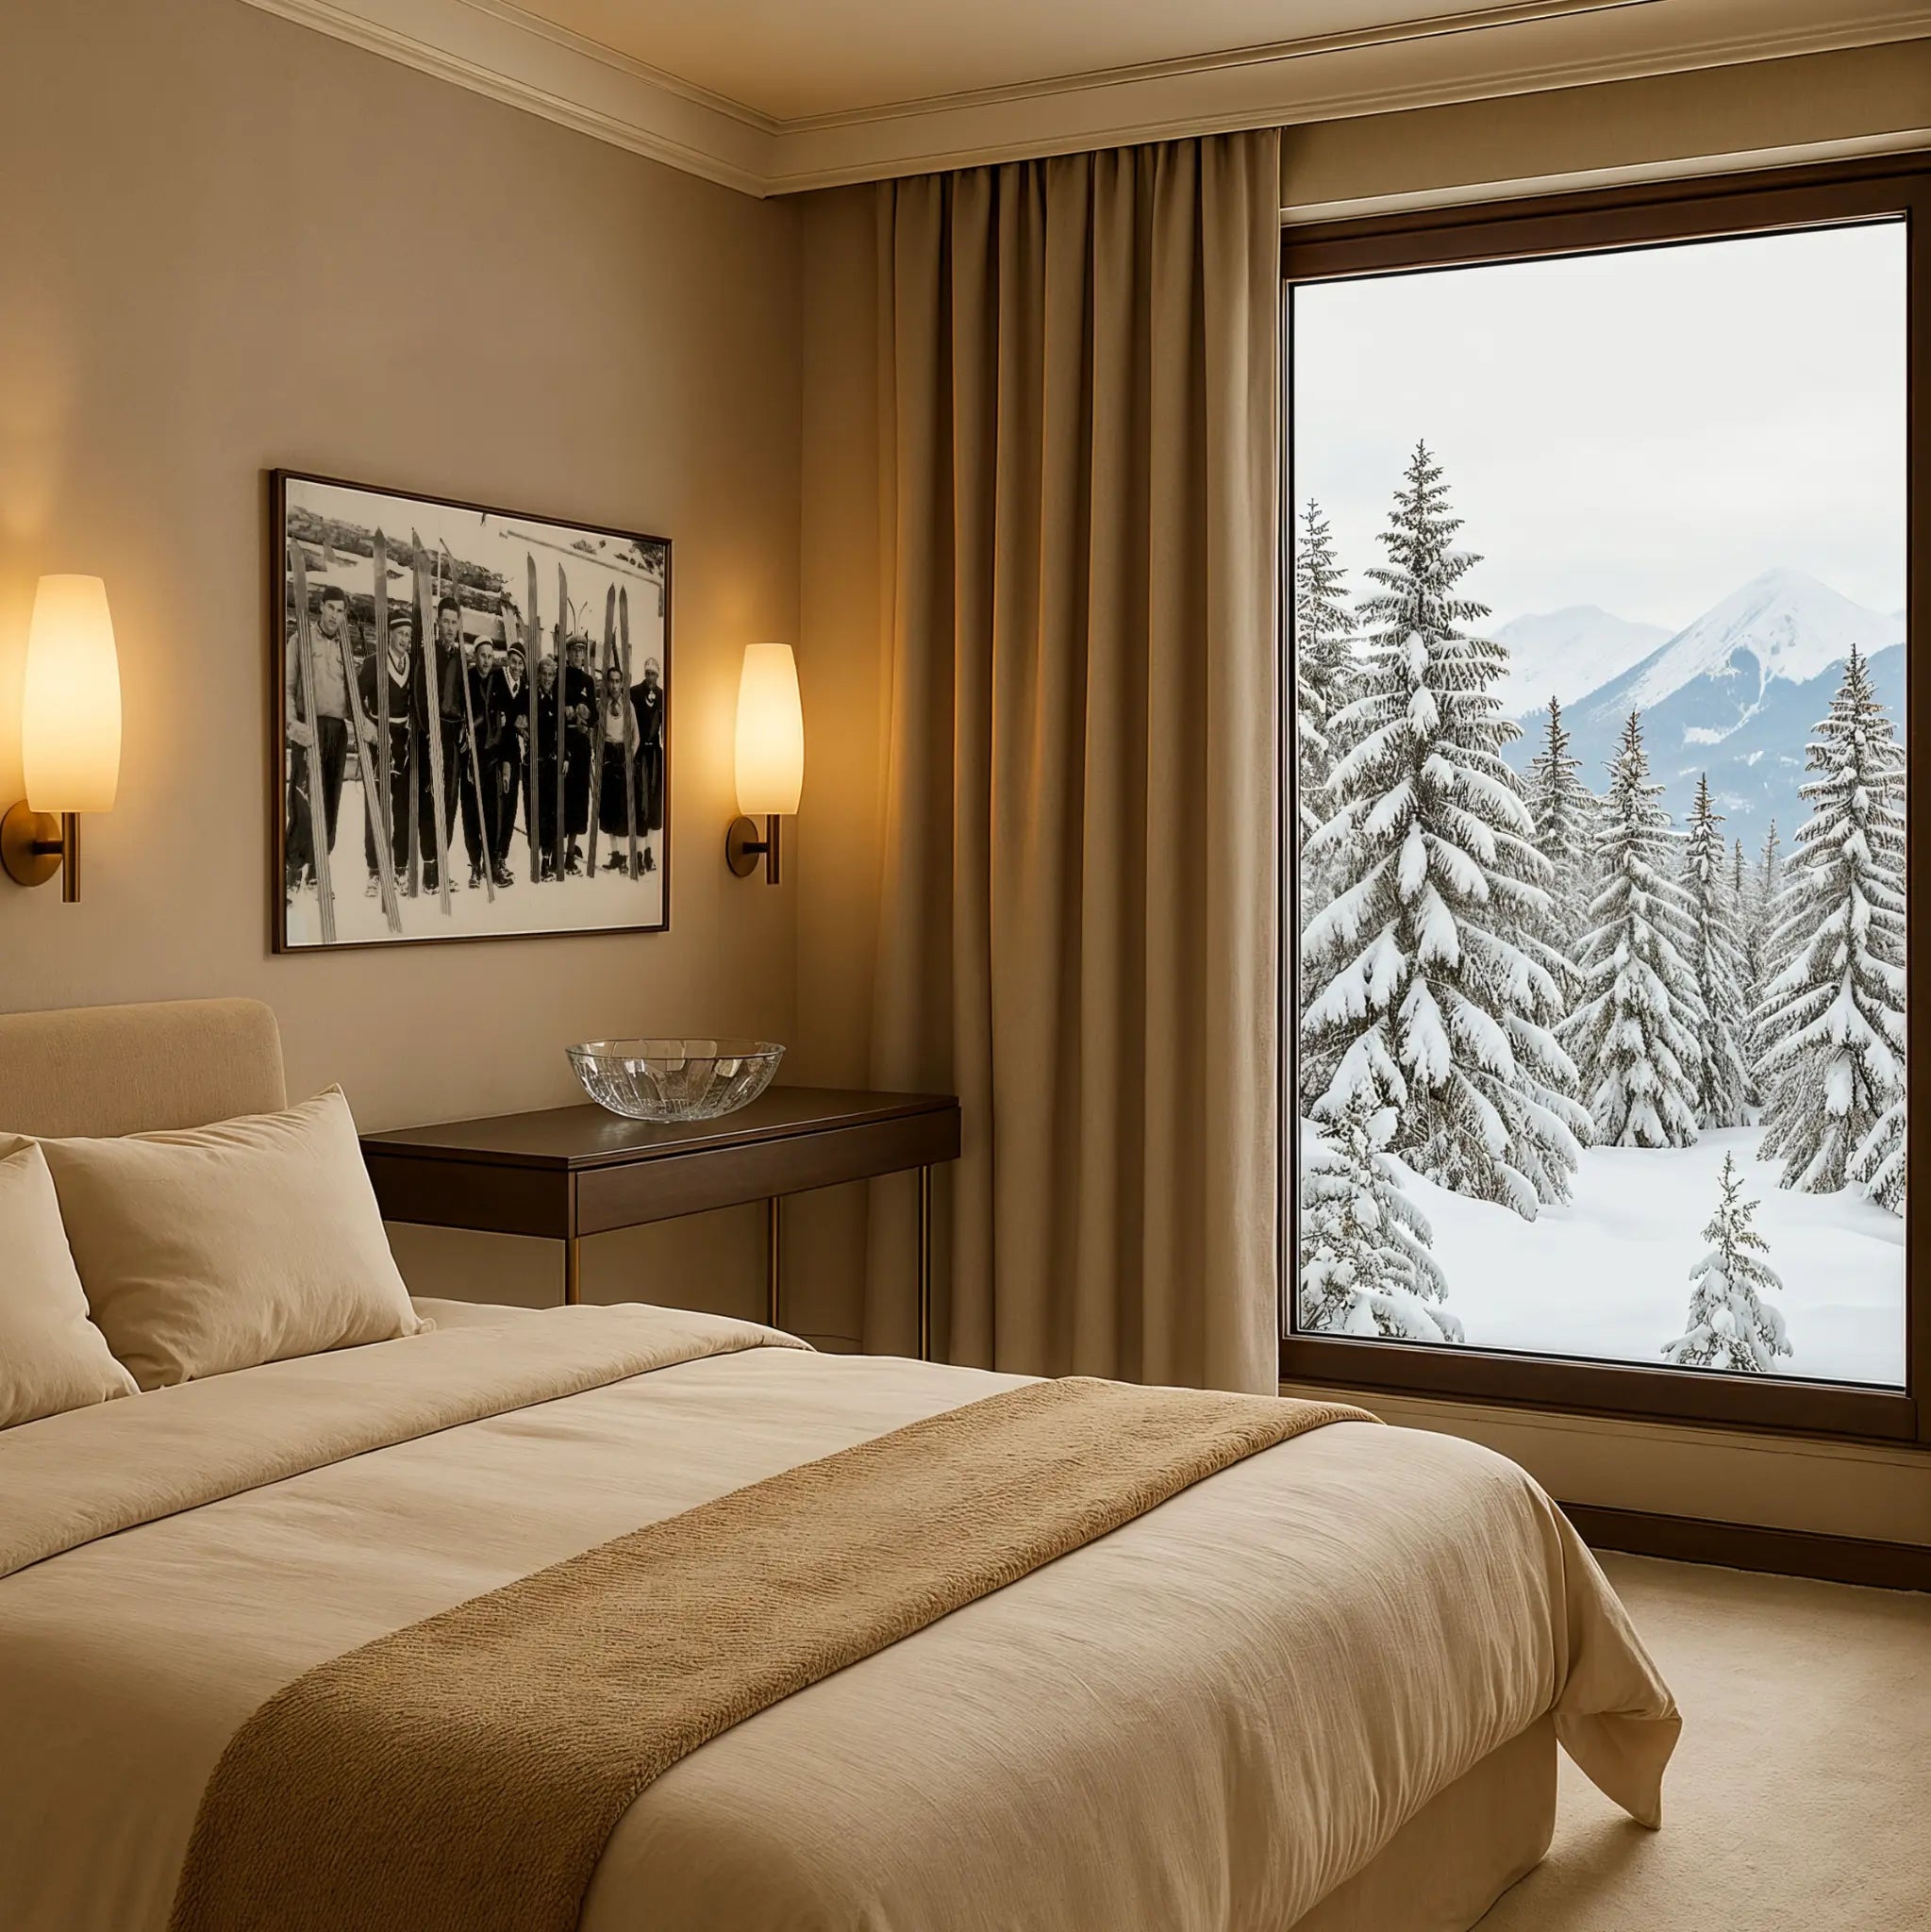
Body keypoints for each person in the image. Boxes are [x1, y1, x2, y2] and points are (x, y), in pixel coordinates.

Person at [284, 582, 354, 896]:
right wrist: (292, 725)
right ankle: (293, 869)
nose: (335, 616)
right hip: (308, 728)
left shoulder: (345, 648)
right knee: (303, 799)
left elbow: (352, 695)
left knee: (329, 799)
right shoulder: (300, 639)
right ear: (321, 606)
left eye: (341, 611)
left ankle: (318, 867)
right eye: (331, 608)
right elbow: (287, 687)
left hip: (336, 730)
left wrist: (364, 723)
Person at [356, 606, 417, 896]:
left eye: (408, 635)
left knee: (403, 807)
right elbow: (355, 699)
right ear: (390, 634)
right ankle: (375, 869)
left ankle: (400, 867)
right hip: (379, 739)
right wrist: (368, 727)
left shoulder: (413, 665)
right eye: (400, 633)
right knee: (377, 806)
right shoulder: (374, 663)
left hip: (402, 740)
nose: (404, 639)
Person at [481, 640, 525, 888]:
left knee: (510, 807)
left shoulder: (523, 687)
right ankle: (491, 860)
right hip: (496, 754)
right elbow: (492, 717)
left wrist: (522, 721)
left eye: (520, 664)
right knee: (495, 808)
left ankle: (501, 858)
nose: (517, 667)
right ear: (508, 660)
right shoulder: (497, 679)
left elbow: (521, 720)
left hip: (513, 754)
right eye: (514, 662)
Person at [560, 635, 596, 876]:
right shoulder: (561, 676)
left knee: (579, 800)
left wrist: (587, 715)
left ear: (584, 656)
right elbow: (554, 704)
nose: (577, 654)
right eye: (573, 650)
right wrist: (565, 710)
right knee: (562, 797)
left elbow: (595, 715)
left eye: (581, 651)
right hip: (564, 742)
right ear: (568, 653)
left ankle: (571, 853)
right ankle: (555, 851)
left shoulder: (588, 681)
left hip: (581, 745)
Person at [596, 664, 637, 871]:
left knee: (622, 810)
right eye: (610, 681)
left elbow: (635, 737)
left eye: (617, 681)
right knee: (609, 810)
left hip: (622, 758)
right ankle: (615, 856)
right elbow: (596, 733)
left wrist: (629, 758)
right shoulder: (601, 705)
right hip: (607, 758)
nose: (613, 685)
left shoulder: (628, 706)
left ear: (622, 683)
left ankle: (624, 859)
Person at [631, 654, 666, 874]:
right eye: (648, 673)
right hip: (639, 753)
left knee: (654, 805)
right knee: (640, 804)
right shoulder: (634, 693)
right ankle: (637, 854)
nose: (650, 677)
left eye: (654, 674)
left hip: (655, 756)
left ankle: (649, 853)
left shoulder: (663, 695)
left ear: (658, 675)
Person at [531, 654, 563, 881]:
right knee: (538, 813)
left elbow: (563, 731)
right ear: (538, 675)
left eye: (551, 674)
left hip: (553, 764)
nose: (548, 678)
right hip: (535, 763)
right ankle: (539, 859)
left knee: (552, 812)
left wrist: (565, 755)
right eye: (544, 674)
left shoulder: (556, 700)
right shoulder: (532, 698)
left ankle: (548, 859)